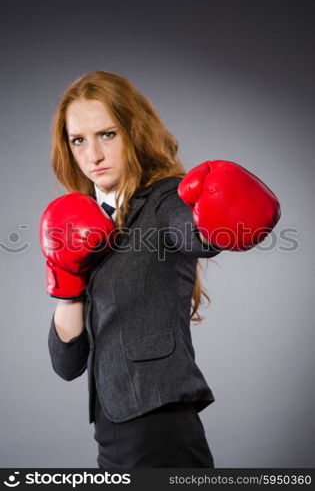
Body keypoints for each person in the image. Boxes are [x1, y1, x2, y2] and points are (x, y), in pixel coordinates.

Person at [40, 70, 281, 468]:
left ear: (133, 131)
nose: (92, 155)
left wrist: (215, 223)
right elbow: (67, 364)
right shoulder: (78, 221)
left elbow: (194, 232)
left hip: (158, 427)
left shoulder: (166, 199)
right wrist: (65, 280)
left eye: (107, 134)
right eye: (78, 140)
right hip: (111, 428)